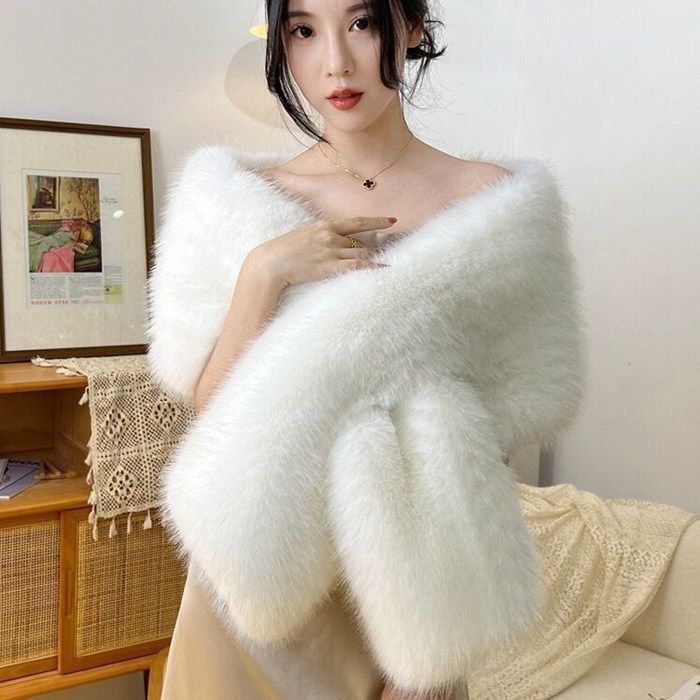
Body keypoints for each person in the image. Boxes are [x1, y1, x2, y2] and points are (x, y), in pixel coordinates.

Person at [161, 0, 515, 697]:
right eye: (303, 30)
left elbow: (496, 425)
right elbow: (215, 412)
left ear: (412, 26)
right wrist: (264, 273)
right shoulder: (238, 201)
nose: (335, 63)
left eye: (362, 23)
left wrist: (428, 660)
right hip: (255, 580)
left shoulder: (488, 200)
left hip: (402, 583)